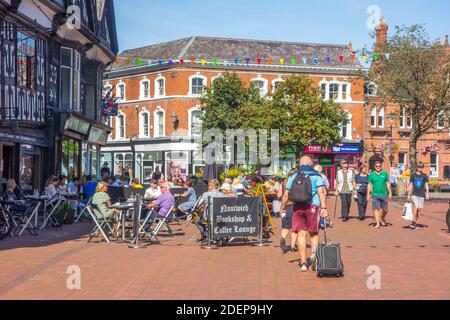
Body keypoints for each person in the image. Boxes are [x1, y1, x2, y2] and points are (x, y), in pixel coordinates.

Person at [280, 156, 329, 272]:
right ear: (311, 163)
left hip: (298, 207)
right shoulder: (316, 175)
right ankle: (313, 255)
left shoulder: (293, 175)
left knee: (301, 234)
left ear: (300, 164)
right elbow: (321, 191)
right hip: (313, 206)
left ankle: (302, 263)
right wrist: (324, 207)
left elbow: (286, 194)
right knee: (314, 233)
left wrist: (282, 208)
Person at [278, 169, 298, 254]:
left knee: (286, 225)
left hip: (286, 206)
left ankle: (283, 238)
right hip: (296, 205)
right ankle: (293, 245)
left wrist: (282, 207)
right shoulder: (297, 182)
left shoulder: (283, 182)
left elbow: (279, 195)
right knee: (295, 227)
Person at [367, 161, 392, 229]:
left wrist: (390, 192)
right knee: (376, 209)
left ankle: (383, 217)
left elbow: (387, 183)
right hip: (375, 194)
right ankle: (378, 223)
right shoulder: (371, 174)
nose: (378, 167)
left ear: (381, 166)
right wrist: (368, 194)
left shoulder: (385, 174)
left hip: (384, 194)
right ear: (374, 167)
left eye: (379, 166)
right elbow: (369, 185)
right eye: (376, 166)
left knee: (385, 209)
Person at [407, 162, 430, 230]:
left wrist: (427, 193)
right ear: (417, 167)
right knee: (416, 206)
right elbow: (411, 185)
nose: (420, 169)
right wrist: (408, 195)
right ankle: (413, 221)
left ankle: (416, 223)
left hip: (421, 194)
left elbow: (426, 185)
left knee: (419, 210)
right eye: (419, 167)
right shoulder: (413, 175)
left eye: (421, 167)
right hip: (414, 194)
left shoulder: (424, 175)